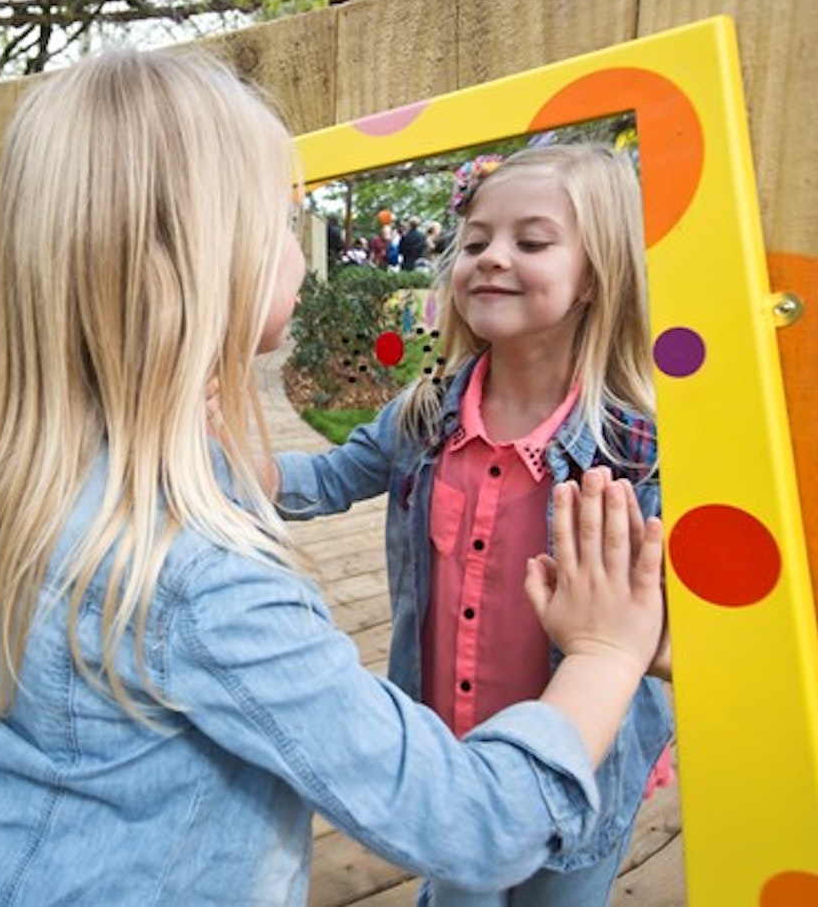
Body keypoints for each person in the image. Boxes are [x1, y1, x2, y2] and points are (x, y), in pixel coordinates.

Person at [0, 55, 666, 906]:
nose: (299, 245)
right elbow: (474, 824)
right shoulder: (212, 572)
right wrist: (609, 650)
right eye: (283, 218)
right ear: (205, 264)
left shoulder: (33, 478)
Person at [263, 143, 673, 907]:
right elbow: (329, 477)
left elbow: (676, 611)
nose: (491, 258)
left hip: (586, 754)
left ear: (598, 276)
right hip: (453, 753)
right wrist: (235, 466)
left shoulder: (637, 453)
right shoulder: (424, 413)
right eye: (476, 240)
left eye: (532, 241)